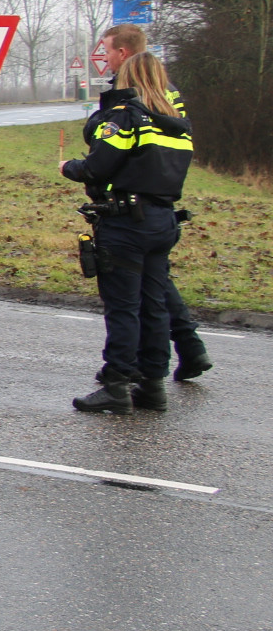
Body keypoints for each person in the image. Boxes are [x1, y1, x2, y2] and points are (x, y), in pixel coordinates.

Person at [61, 51, 194, 413]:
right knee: (154, 308)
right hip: (163, 220)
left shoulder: (125, 118)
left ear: (127, 79)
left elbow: (97, 166)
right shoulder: (176, 122)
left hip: (125, 223)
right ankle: (152, 385)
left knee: (123, 307)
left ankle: (117, 384)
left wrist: (67, 167)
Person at [95, 24, 210, 380]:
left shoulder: (130, 94)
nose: (105, 57)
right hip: (159, 200)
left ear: (123, 54)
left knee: (136, 296)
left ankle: (130, 371)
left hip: (132, 201)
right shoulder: (166, 92)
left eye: (108, 50)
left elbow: (110, 143)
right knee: (156, 286)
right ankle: (180, 354)